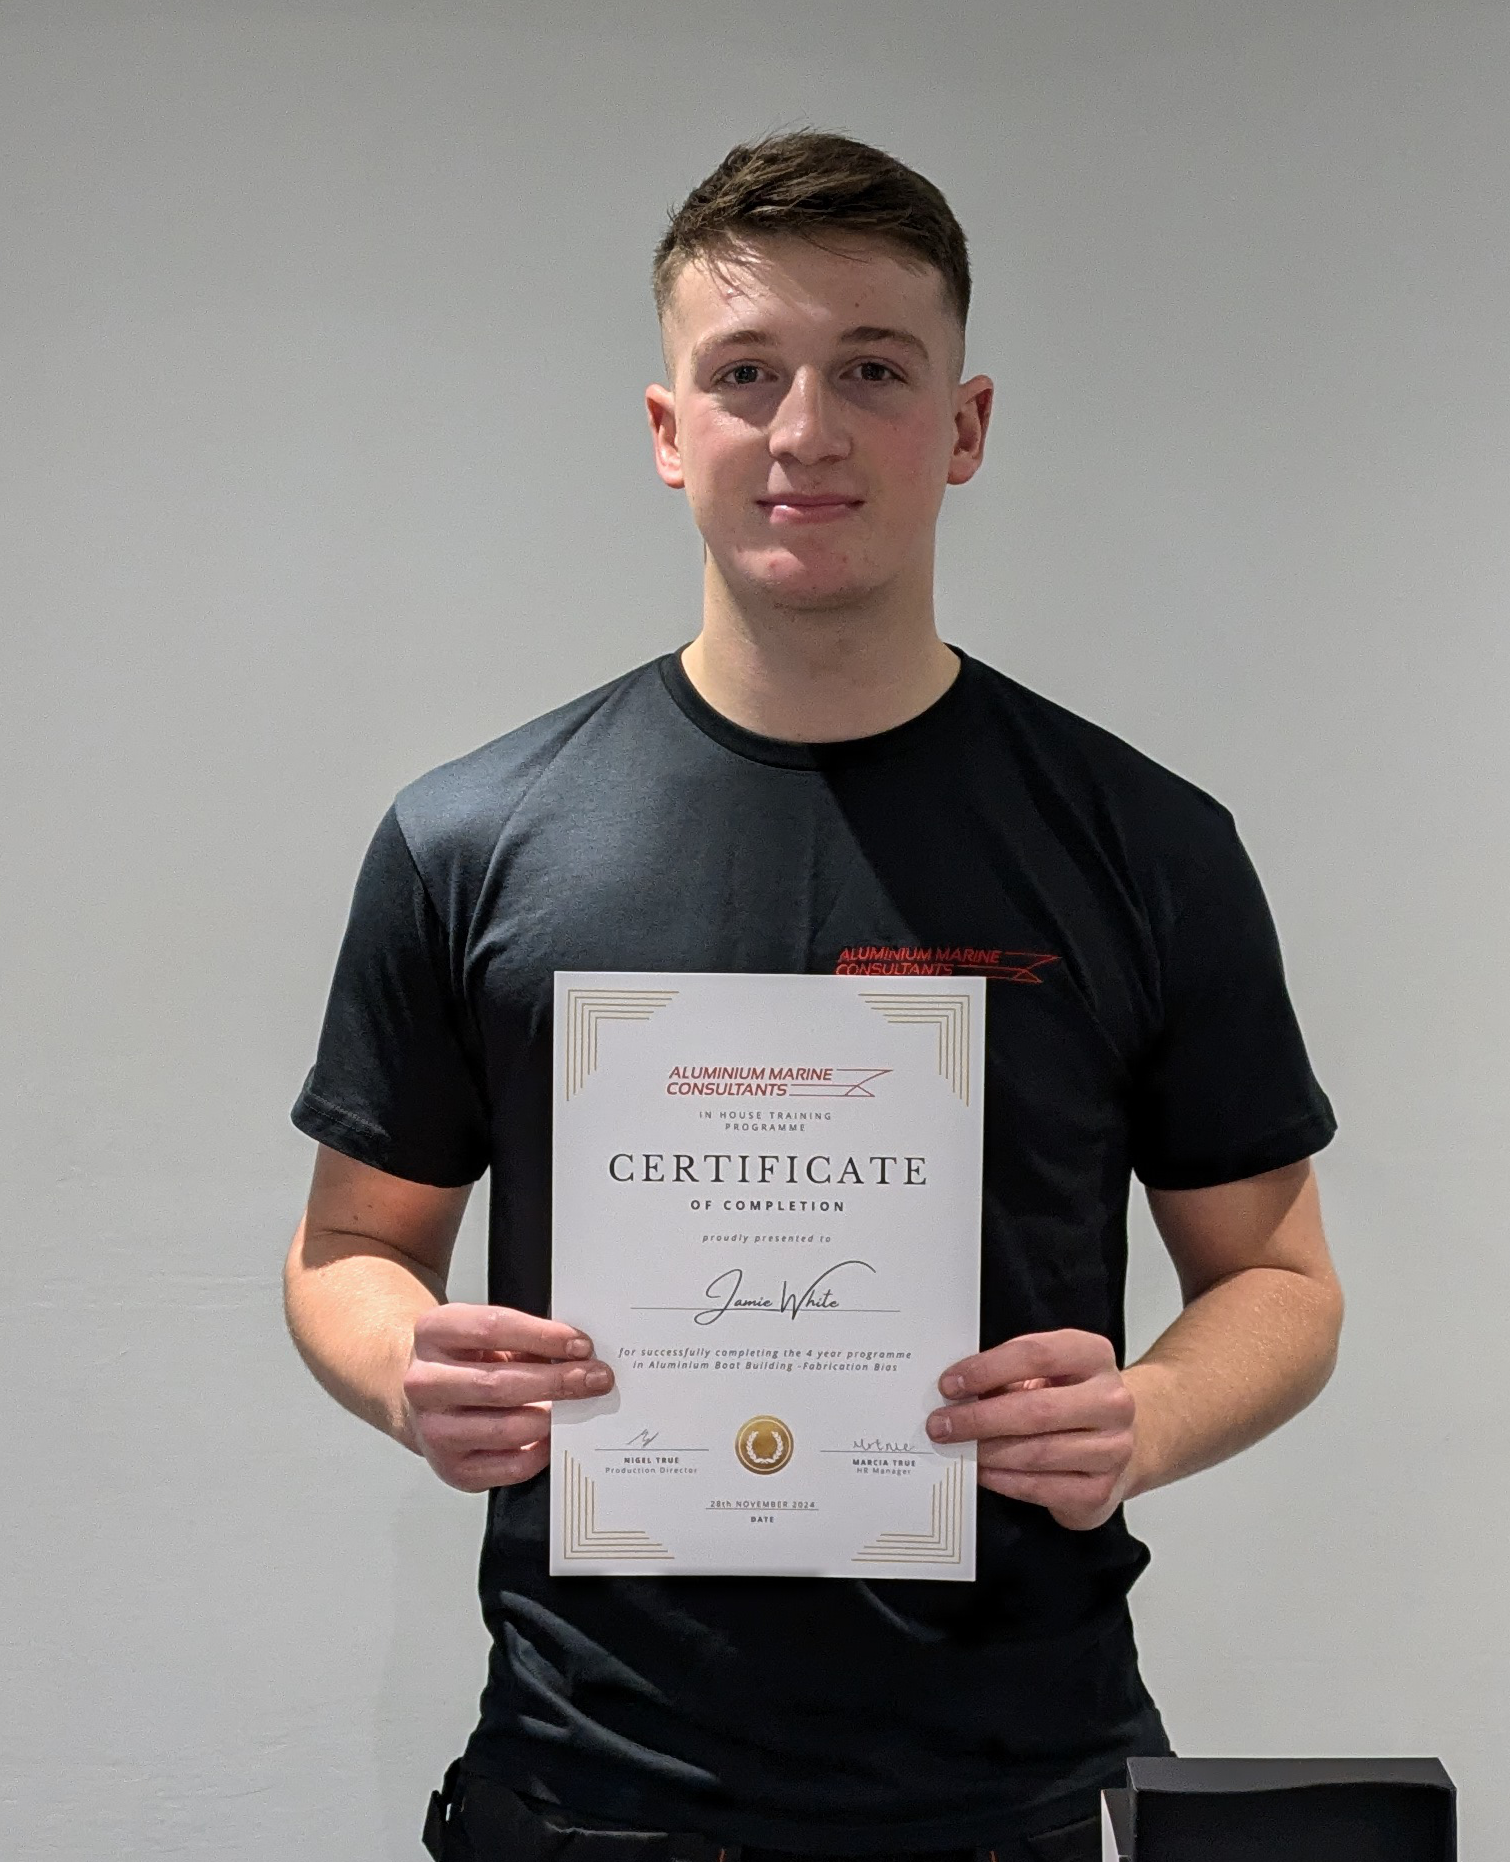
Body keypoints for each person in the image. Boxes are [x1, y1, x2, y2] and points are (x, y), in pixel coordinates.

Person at [284, 130, 1343, 1862]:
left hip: (1010, 1789)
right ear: (664, 427)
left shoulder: (1146, 841)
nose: (804, 431)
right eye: (746, 372)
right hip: (588, 1787)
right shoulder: (473, 836)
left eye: (872, 368)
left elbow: (1284, 1284)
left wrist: (1144, 1417)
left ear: (968, 423)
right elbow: (345, 1250)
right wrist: (409, 1364)